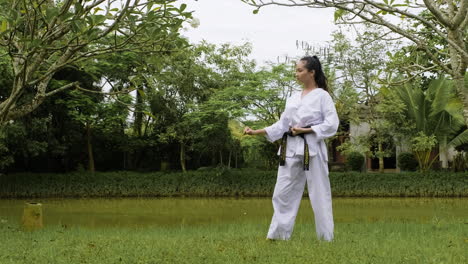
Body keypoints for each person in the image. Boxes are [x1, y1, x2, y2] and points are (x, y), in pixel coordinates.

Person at [243, 55, 339, 241]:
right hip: (289, 150)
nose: (296, 74)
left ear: (312, 72)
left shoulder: (322, 96)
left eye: (300, 70)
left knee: (319, 195)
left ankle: (326, 238)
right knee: (282, 192)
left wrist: (307, 129)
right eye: (296, 70)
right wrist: (256, 132)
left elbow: (332, 124)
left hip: (312, 149)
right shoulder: (293, 98)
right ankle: (278, 236)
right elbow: (282, 125)